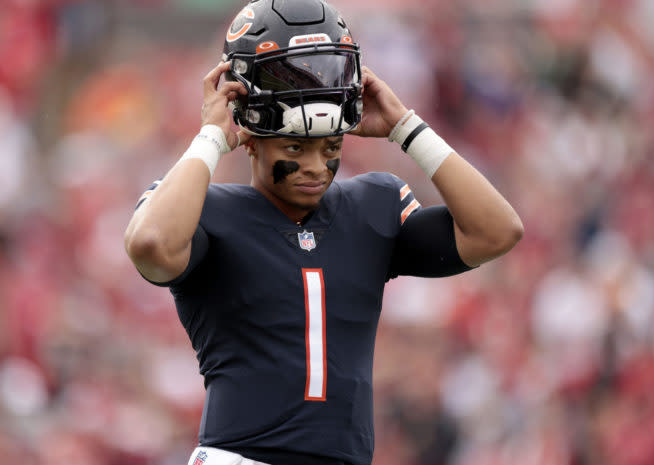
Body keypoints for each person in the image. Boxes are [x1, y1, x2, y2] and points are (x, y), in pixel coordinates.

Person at [124, 1, 523, 464]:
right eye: (295, 146)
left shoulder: (372, 205)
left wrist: (407, 127)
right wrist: (211, 135)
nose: (316, 167)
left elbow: (498, 230)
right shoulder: (204, 210)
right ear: (250, 135)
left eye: (330, 146)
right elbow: (151, 245)